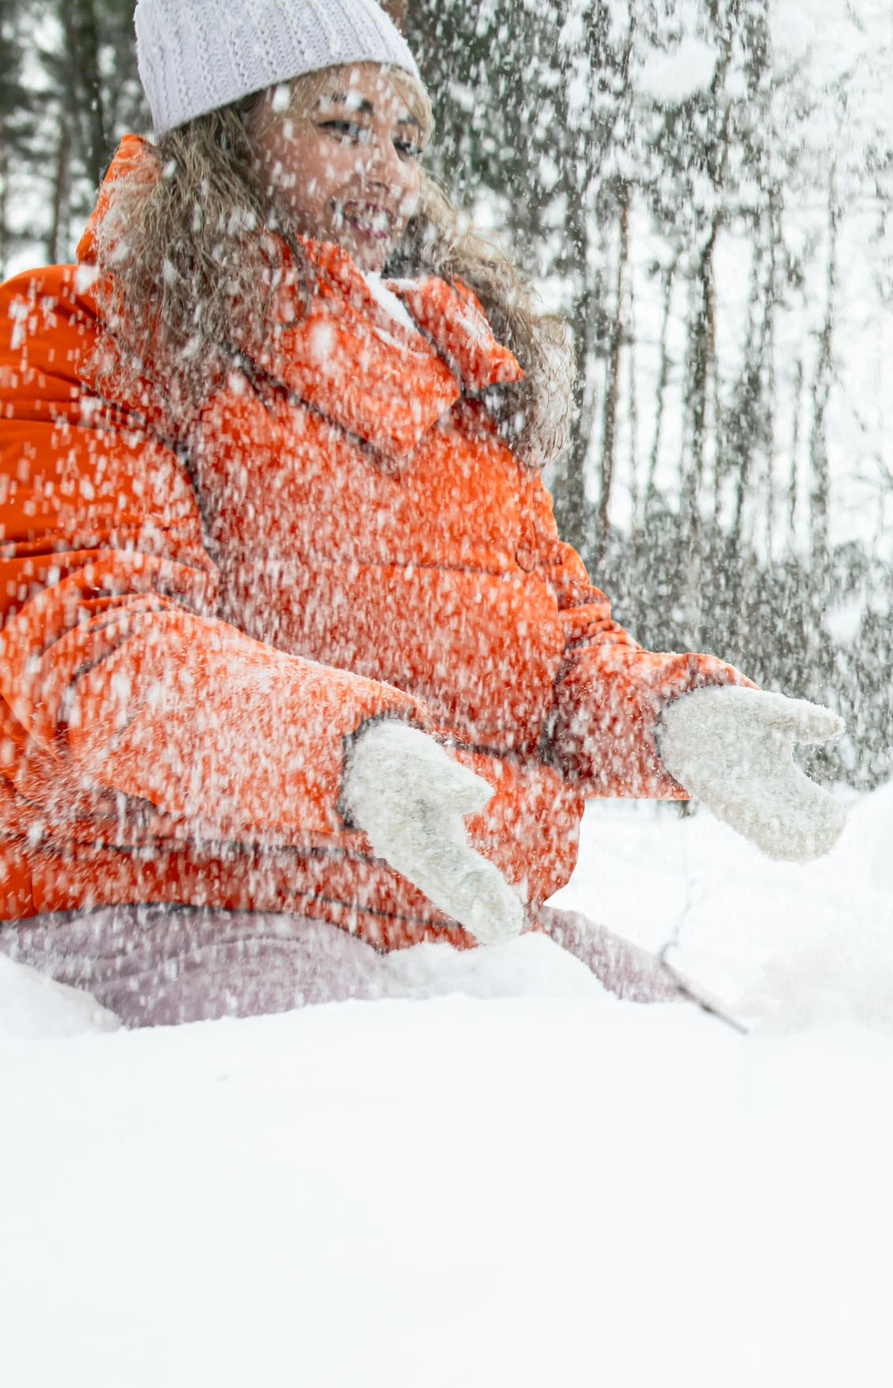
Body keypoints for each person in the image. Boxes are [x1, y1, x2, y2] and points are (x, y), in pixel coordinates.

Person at [0, 0, 846, 1026]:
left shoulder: (448, 364)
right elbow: (105, 652)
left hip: (434, 905)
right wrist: (344, 755)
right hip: (166, 895)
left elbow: (550, 657)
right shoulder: (89, 338)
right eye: (343, 125)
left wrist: (671, 721)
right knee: (469, 1104)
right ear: (224, 132)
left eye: (408, 137)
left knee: (705, 1059)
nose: (389, 171)